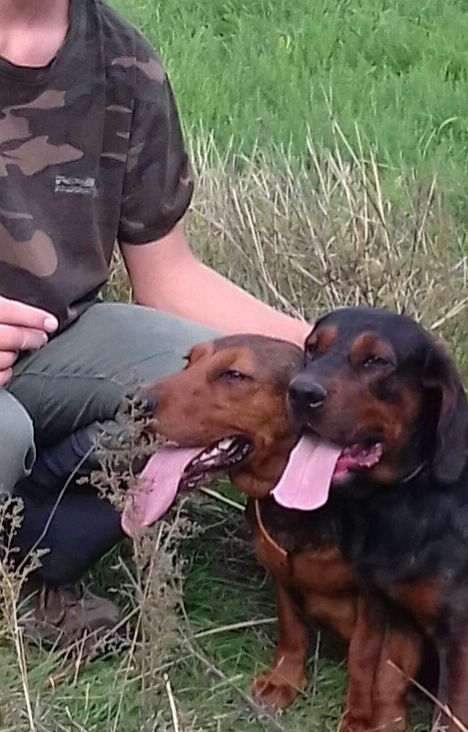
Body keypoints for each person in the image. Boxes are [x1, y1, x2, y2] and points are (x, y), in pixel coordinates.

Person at [0, 0, 308, 648]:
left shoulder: (121, 60)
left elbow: (169, 277)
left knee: (203, 384)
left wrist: (327, 354)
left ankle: (35, 568)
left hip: (54, 349)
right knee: (7, 433)